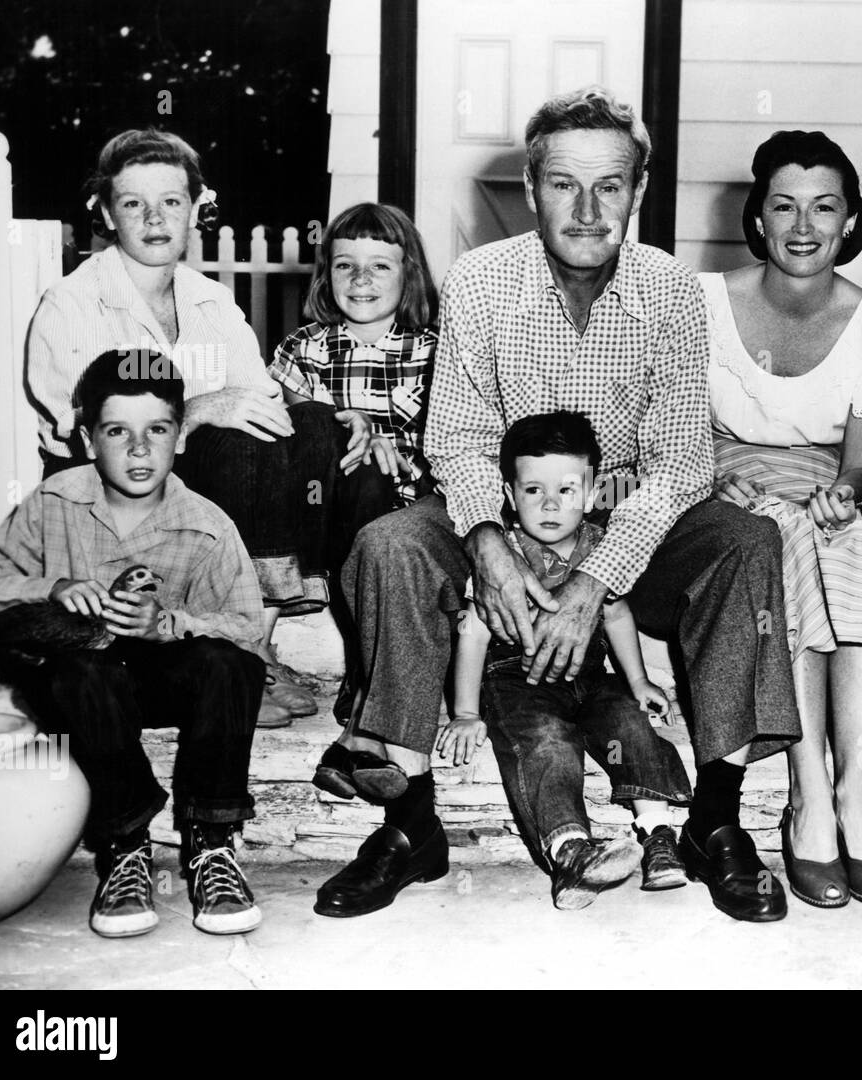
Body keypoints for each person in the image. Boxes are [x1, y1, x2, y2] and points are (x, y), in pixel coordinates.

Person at [314, 87, 801, 924]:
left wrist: (595, 582)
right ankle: (408, 822)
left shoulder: (673, 289)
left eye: (609, 186)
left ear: (638, 193)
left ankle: (716, 818)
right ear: (532, 188)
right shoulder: (481, 280)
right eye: (564, 185)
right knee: (390, 544)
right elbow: (458, 440)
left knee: (745, 540)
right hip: (507, 510)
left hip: (629, 520)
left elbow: (682, 461)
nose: (586, 208)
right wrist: (491, 548)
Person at [24, 128, 390, 726]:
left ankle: (345, 666)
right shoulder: (72, 302)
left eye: (170, 201)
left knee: (320, 428)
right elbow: (90, 432)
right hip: (115, 492)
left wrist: (332, 417)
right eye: (132, 203)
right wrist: (196, 412)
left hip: (205, 484)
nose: (154, 218)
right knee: (231, 436)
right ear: (106, 213)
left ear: (197, 207)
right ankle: (245, 648)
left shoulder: (210, 300)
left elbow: (259, 396)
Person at [0, 350, 266, 937]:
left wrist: (169, 624)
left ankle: (211, 842)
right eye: (116, 431)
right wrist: (51, 585)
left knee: (230, 666)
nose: (138, 449)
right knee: (78, 669)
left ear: (180, 438)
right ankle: (125, 845)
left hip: (162, 680)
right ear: (87, 439)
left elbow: (248, 627)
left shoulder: (207, 523)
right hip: (85, 690)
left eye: (157, 430)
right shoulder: (55, 501)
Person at [702, 131, 862, 908]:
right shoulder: (700, 303)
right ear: (756, 218)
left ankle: (855, 792)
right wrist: (720, 480)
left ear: (850, 220)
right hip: (724, 490)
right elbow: (682, 436)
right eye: (783, 206)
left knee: (855, 538)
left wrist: (849, 488)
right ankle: (807, 800)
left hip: (824, 483)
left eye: (824, 208)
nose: (802, 226)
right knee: (779, 534)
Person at [432, 411, 692, 909]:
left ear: (593, 494)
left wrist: (637, 682)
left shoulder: (601, 547)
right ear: (509, 496)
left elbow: (615, 613)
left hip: (590, 676)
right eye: (533, 491)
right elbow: (472, 630)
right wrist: (466, 712)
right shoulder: (503, 556)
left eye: (567, 490)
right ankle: (569, 851)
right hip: (516, 680)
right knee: (547, 745)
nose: (550, 504)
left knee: (630, 724)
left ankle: (658, 834)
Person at [266, 202, 439, 737]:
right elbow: (290, 431)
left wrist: (389, 445)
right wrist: (347, 432)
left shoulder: (435, 351)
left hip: (398, 503)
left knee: (375, 479)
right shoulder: (306, 347)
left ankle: (369, 675)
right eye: (345, 265)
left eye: (380, 266)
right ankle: (364, 672)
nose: (361, 279)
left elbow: (448, 441)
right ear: (327, 274)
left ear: (408, 274)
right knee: (351, 470)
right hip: (319, 504)